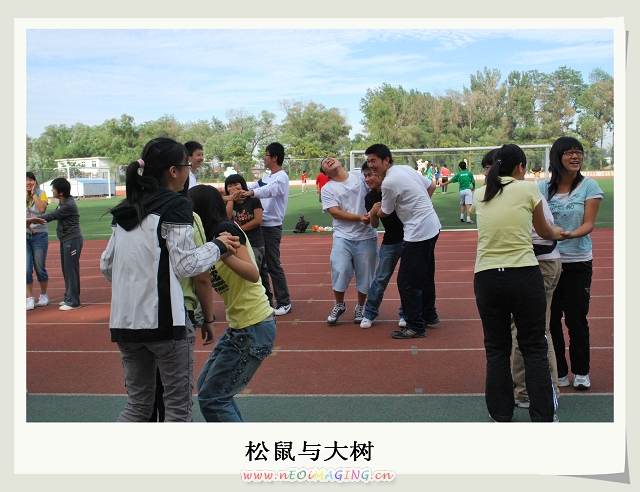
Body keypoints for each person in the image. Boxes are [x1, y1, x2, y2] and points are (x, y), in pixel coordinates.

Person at [99, 137, 239, 422]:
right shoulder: (175, 205)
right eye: (187, 166)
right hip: (165, 323)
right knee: (177, 410)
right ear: (173, 171)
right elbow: (187, 265)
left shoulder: (126, 208)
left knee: (137, 407)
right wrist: (219, 245)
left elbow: (107, 266)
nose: (189, 172)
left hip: (124, 322)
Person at [470, 143, 563, 422]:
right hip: (523, 274)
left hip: (487, 276)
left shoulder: (480, 194)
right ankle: (543, 414)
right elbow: (544, 231)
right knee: (533, 346)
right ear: (520, 167)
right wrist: (559, 232)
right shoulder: (527, 188)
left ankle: (500, 413)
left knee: (496, 349)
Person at [189, 184, 276, 422]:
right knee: (207, 387)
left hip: (253, 325)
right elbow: (202, 280)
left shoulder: (224, 229)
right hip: (241, 326)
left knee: (213, 398)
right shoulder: (208, 237)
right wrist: (208, 319)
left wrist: (223, 253)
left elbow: (253, 273)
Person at [540, 136, 604, 391]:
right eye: (570, 152)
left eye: (579, 152)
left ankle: (581, 371)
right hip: (549, 262)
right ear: (557, 156)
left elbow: (588, 224)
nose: (576, 156)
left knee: (577, 319)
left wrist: (568, 235)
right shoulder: (542, 188)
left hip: (578, 261)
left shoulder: (589, 186)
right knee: (551, 320)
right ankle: (559, 372)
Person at [365, 143, 441, 340]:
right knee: (425, 275)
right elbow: (431, 186)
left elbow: (386, 211)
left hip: (418, 233)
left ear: (386, 160)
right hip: (432, 225)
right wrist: (420, 207)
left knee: (407, 282)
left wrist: (374, 211)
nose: (370, 165)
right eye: (368, 161)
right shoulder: (405, 169)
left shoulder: (389, 182)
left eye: (374, 160)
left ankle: (415, 326)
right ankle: (429, 314)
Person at [320, 157, 378, 325]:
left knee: (365, 275)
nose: (328, 160)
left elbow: (376, 187)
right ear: (325, 173)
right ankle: (339, 305)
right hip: (342, 236)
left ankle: (361, 307)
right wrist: (360, 217)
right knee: (339, 269)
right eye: (324, 162)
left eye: (330, 158)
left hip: (367, 235)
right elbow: (335, 212)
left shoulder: (360, 175)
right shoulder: (328, 189)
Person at [239, 142, 292, 316]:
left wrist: (250, 193)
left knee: (273, 265)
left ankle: (284, 302)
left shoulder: (281, 177)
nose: (264, 158)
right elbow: (255, 185)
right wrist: (237, 188)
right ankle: (266, 301)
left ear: (274, 157)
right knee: (260, 266)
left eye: (266, 155)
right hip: (259, 226)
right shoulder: (267, 177)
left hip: (271, 227)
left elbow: (269, 190)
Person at [359, 163, 405, 329]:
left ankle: (406, 314)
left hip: (410, 238)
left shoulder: (393, 188)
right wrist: (372, 212)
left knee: (407, 279)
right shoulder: (370, 197)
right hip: (390, 241)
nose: (367, 179)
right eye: (365, 176)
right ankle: (369, 313)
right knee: (380, 279)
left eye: (370, 174)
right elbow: (374, 225)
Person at [39, 178, 83, 311]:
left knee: (71, 271)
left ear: (61, 192)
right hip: (66, 239)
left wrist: (31, 220)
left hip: (72, 240)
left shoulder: (68, 205)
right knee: (67, 270)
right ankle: (69, 297)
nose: (52, 191)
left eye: (54, 188)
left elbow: (52, 216)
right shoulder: (63, 202)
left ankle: (73, 301)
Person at [224, 173, 266, 277]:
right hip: (236, 244)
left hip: (254, 242)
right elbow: (227, 217)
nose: (233, 188)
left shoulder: (253, 200)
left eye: (236, 184)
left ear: (242, 185)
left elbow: (257, 220)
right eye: (230, 186)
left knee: (255, 273)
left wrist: (239, 230)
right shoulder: (227, 203)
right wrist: (231, 199)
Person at [26, 172, 50, 310]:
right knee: (25, 268)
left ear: (35, 181)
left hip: (39, 234)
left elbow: (42, 209)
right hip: (24, 234)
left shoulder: (42, 193)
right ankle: (29, 297)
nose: (28, 183)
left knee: (40, 267)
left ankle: (43, 295)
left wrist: (33, 194)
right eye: (25, 180)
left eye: (31, 180)